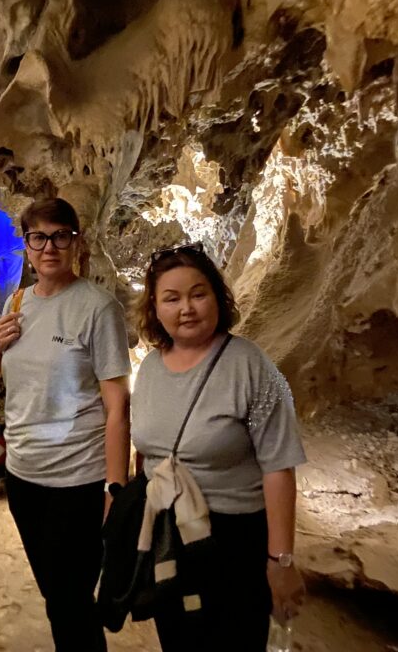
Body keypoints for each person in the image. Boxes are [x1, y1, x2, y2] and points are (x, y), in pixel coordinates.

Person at [130, 242, 306, 651]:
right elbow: (149, 453)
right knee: (177, 639)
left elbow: (279, 467)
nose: (186, 308)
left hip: (232, 540)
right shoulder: (152, 367)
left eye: (198, 293)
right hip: (167, 536)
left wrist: (281, 561)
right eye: (171, 298)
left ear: (217, 297)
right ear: (155, 308)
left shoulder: (250, 366)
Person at [0, 198, 131, 652]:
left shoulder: (98, 309)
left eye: (60, 235)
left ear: (75, 243)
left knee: (69, 599)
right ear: (26, 245)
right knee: (57, 595)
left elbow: (117, 407)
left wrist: (114, 487)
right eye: (39, 237)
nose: (50, 247)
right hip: (25, 477)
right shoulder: (17, 303)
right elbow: (8, 387)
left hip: (78, 481)